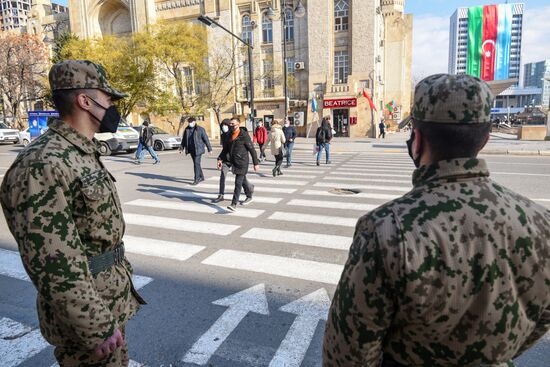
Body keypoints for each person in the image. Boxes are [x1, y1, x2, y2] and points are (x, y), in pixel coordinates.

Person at [323, 73, 550, 367]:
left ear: (416, 140)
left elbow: (347, 355)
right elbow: (540, 317)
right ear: (485, 139)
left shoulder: (387, 229)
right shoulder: (541, 223)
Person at [0, 60, 146, 366]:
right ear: (84, 101)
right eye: (108, 99)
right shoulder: (42, 163)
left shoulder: (80, 153)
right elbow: (54, 263)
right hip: (89, 323)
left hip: (107, 304)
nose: (112, 108)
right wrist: (95, 328)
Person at [217, 117, 259, 212]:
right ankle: (249, 194)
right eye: (230, 124)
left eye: (233, 124)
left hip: (243, 162)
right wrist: (220, 158)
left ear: (238, 124)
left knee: (238, 183)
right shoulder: (229, 136)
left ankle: (234, 204)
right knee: (243, 180)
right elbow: (225, 150)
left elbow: (252, 149)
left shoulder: (244, 135)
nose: (231, 126)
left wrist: (255, 163)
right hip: (234, 162)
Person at [180, 117, 212, 185]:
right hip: (191, 150)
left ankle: (196, 179)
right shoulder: (187, 129)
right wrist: (181, 148)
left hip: (198, 149)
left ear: (194, 122)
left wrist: (209, 149)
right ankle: (202, 176)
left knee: (196, 164)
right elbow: (184, 139)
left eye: (191, 122)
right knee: (196, 163)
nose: (190, 124)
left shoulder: (200, 129)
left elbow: (206, 139)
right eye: (189, 122)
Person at [213, 118, 232, 203]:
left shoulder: (233, 134)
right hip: (226, 160)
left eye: (226, 125)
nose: (224, 127)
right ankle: (221, 195)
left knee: (242, 180)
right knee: (222, 177)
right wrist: (219, 158)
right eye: (223, 125)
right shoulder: (223, 135)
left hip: (235, 159)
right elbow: (225, 149)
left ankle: (249, 190)